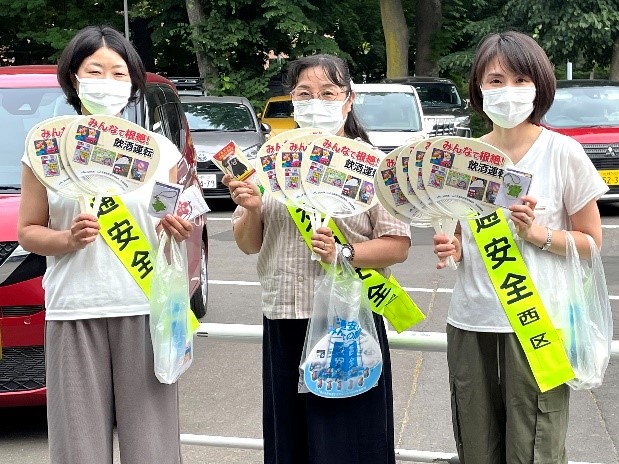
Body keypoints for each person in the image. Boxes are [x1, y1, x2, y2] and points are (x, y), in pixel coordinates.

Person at [17, 25, 193, 464]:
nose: (107, 81)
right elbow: (28, 231)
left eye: (119, 73)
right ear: (73, 77)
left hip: (144, 309)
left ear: (133, 82)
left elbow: (168, 222)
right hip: (73, 308)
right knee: (78, 448)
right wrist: (66, 238)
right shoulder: (45, 148)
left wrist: (176, 229)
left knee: (151, 448)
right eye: (95, 70)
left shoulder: (161, 153)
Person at [223, 54, 411, 464]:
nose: (316, 102)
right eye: (305, 93)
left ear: (348, 99)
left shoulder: (370, 164)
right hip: (284, 316)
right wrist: (252, 208)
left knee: (347, 441)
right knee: (289, 441)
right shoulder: (269, 159)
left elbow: (397, 244)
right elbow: (248, 244)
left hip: (348, 323)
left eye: (328, 93)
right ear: (292, 100)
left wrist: (345, 253)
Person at [433, 31, 608, 464]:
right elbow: (458, 236)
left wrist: (538, 235)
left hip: (537, 323)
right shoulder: (462, 158)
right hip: (471, 321)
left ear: (539, 86)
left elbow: (591, 243)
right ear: (477, 87)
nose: (507, 92)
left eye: (520, 79)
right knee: (476, 444)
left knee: (536, 447)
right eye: (495, 81)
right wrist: (451, 247)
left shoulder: (563, 152)